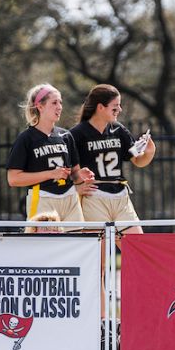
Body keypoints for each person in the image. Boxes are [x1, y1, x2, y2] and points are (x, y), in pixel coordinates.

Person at [68, 84, 156, 236]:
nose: (119, 110)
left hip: (121, 197)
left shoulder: (118, 130)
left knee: (137, 247)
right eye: (115, 107)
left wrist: (149, 152)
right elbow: (64, 171)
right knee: (98, 254)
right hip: (94, 197)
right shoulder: (77, 134)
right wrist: (75, 187)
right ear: (100, 107)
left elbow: (138, 161)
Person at [6, 83, 96, 230]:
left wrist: (80, 175)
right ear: (40, 107)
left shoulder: (66, 136)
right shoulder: (26, 138)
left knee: (77, 246)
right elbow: (13, 179)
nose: (59, 106)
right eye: (54, 102)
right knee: (45, 247)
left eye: (60, 102)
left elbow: (74, 173)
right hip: (43, 198)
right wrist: (50, 174)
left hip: (69, 198)